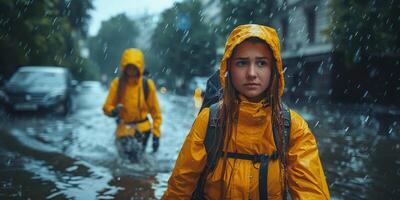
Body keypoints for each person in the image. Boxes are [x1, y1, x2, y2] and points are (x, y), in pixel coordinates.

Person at [162, 24, 330, 199]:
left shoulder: (294, 128)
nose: (251, 73)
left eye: (261, 63)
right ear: (229, 69)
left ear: (274, 70)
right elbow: (179, 189)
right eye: (242, 63)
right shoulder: (208, 122)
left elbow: (311, 192)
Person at [103, 48, 162, 161]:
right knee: (127, 160)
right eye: (128, 67)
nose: (131, 70)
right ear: (124, 67)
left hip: (143, 131)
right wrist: (113, 111)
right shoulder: (117, 84)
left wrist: (156, 134)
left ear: (139, 67)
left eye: (134, 67)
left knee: (137, 160)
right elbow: (107, 106)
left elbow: (156, 113)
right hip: (124, 130)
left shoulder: (147, 85)